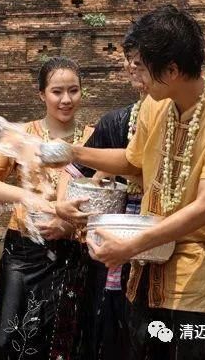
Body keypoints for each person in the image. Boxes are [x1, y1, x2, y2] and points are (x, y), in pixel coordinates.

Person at [58, 5, 205, 360]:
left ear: (172, 70)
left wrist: (131, 246)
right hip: (146, 271)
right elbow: (134, 162)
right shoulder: (155, 105)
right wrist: (73, 152)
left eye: (142, 67)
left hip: (196, 276)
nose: (136, 75)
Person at [0, 57, 94, 360]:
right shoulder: (20, 136)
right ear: (42, 94)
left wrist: (70, 225)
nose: (66, 99)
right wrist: (24, 197)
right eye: (57, 91)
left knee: (66, 343)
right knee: (10, 341)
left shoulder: (94, 138)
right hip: (24, 253)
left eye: (73, 91)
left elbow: (108, 198)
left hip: (74, 253)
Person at [60, 39, 146, 360]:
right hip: (112, 251)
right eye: (131, 61)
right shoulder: (116, 122)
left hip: (162, 249)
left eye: (142, 61)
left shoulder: (182, 121)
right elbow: (73, 171)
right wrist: (62, 205)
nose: (135, 67)